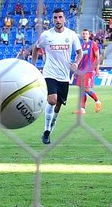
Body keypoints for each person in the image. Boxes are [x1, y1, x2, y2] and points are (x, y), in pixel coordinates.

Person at [30, 8, 82, 145]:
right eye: (55, 18)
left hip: (64, 76)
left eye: (60, 17)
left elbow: (79, 53)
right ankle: (46, 131)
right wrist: (33, 66)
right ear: (52, 19)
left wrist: (76, 63)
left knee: (58, 106)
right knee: (52, 100)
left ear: (65, 19)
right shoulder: (46, 35)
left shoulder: (71, 35)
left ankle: (50, 129)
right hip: (49, 73)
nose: (58, 20)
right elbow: (35, 49)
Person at [75, 29, 102, 115]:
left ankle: (97, 101)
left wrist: (97, 68)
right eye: (83, 34)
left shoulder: (93, 44)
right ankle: (82, 109)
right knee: (82, 89)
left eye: (86, 34)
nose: (84, 35)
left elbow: (97, 57)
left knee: (86, 88)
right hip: (81, 70)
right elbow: (78, 58)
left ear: (89, 35)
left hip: (89, 70)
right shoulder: (81, 46)